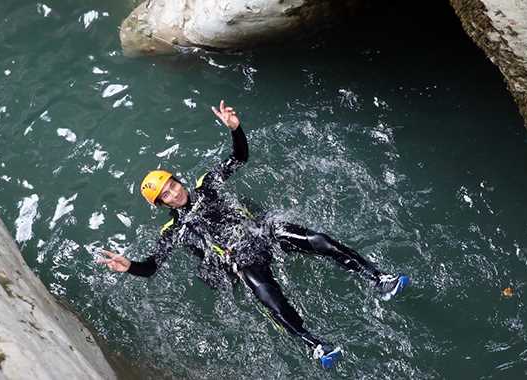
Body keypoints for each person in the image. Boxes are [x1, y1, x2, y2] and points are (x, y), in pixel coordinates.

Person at [98, 100, 410, 369]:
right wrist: (130, 267)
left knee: (318, 240)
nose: (174, 194)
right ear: (160, 204)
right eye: (165, 195)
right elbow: (153, 266)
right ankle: (314, 344)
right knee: (263, 290)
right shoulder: (174, 230)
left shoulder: (207, 184)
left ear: (179, 181)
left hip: (260, 231)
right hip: (237, 256)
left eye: (173, 185)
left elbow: (239, 158)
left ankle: (379, 278)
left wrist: (235, 128)